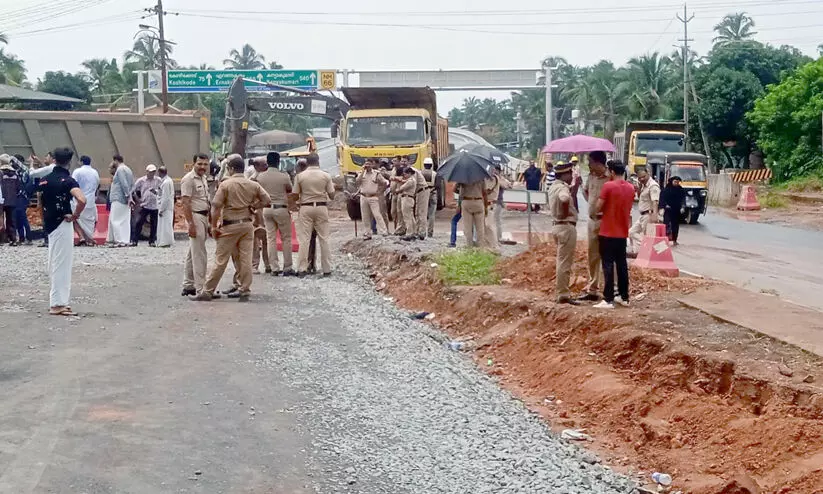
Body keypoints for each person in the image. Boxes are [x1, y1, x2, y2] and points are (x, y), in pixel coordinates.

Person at [190, 154, 271, 302]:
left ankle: (207, 291)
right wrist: (254, 206)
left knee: (220, 260)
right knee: (245, 259)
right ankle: (244, 289)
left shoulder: (226, 185)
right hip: (247, 225)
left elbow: (216, 206)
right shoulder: (252, 184)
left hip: (230, 226)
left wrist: (214, 226)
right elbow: (267, 200)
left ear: (231, 169)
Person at [37, 147, 86, 316]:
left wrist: (44, 220)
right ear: (69, 162)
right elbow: (82, 199)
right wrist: (75, 215)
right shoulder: (68, 180)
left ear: (54, 160)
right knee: (62, 263)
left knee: (54, 261)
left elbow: (40, 203)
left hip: (50, 224)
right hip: (62, 223)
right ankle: (58, 303)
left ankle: (58, 300)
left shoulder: (44, 180)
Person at [593, 160, 635, 309]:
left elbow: (598, 206)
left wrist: (596, 210)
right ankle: (624, 296)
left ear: (611, 171)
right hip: (622, 233)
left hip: (607, 231)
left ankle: (608, 298)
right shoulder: (631, 188)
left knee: (608, 265)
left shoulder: (608, 186)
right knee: (622, 265)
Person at [294, 152, 334, 276]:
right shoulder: (326, 176)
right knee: (324, 238)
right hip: (321, 207)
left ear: (307, 163)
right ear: (318, 161)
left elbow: (295, 195)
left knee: (304, 239)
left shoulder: (300, 176)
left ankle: (302, 268)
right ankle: (327, 268)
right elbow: (332, 195)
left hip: (306, 207)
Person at [256, 151, 295, 276]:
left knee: (270, 238)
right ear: (278, 162)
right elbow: (290, 189)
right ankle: (287, 267)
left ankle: (274, 267)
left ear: (267, 162)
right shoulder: (284, 176)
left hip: (267, 209)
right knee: (286, 238)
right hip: (281, 208)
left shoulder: (260, 177)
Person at [579, 151, 609, 302]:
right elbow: (586, 193)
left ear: (598, 162)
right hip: (592, 220)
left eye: (590, 162)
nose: (588, 165)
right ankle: (593, 289)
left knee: (608, 256)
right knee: (593, 256)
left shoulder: (611, 177)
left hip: (606, 220)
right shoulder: (590, 177)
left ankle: (610, 289)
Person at [548, 161, 579, 305]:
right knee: (565, 263)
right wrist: (565, 211)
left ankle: (562, 292)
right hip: (566, 226)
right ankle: (563, 294)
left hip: (557, 226)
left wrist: (574, 187)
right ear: (564, 174)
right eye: (570, 173)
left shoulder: (553, 187)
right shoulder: (562, 188)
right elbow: (564, 198)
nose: (571, 176)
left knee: (561, 261)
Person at [180, 153, 211, 297]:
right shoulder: (188, 179)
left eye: (205, 164)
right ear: (193, 164)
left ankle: (188, 285)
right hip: (195, 217)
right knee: (200, 254)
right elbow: (185, 203)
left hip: (204, 216)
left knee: (193, 252)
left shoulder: (203, 178)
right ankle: (201, 288)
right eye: (200, 164)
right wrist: (191, 224)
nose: (202, 167)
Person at [629, 167, 661, 253]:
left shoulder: (653, 186)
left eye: (644, 176)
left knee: (648, 236)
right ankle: (649, 247)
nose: (642, 179)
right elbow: (640, 197)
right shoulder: (643, 185)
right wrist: (639, 187)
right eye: (640, 178)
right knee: (631, 232)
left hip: (649, 215)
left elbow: (655, 201)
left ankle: (651, 250)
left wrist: (655, 215)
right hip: (642, 215)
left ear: (648, 173)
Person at [356, 159, 389, 239]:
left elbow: (384, 183)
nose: (367, 166)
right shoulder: (361, 173)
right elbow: (357, 182)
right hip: (364, 196)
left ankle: (384, 231)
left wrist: (380, 191)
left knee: (377, 214)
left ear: (372, 165)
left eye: (369, 164)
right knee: (365, 216)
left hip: (373, 196)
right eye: (366, 164)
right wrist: (362, 171)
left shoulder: (376, 174)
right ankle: (367, 232)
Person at [130, 164, 162, 246]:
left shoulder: (158, 180)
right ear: (147, 172)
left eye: (153, 172)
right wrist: (138, 199)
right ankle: (135, 240)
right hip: (145, 205)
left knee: (154, 224)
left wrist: (157, 193)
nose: (152, 173)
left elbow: (161, 191)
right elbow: (133, 190)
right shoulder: (141, 180)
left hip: (154, 205)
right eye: (151, 172)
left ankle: (152, 241)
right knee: (139, 223)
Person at [71, 155, 99, 246]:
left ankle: (82, 237)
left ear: (81, 162)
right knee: (90, 220)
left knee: (75, 219)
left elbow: (72, 184)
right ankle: (89, 239)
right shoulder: (95, 172)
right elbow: (97, 185)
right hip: (91, 201)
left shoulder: (77, 171)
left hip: (79, 200)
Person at [107, 155, 134, 247]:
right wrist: (130, 197)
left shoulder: (120, 169)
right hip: (126, 200)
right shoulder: (128, 169)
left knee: (116, 220)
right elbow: (132, 185)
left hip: (118, 198)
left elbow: (124, 183)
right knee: (125, 220)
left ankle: (119, 240)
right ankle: (125, 240)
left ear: (115, 161)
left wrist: (127, 195)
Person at [483, 166, 508, 252]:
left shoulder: (495, 179)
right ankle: (491, 243)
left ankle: (495, 245)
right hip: (492, 203)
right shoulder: (496, 178)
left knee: (490, 224)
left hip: (493, 203)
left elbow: (487, 190)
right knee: (489, 224)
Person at [12, 154, 33, 245]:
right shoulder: (17, 171)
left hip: (22, 197)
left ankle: (28, 237)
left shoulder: (24, 171)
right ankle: (22, 237)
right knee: (18, 217)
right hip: (19, 197)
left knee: (22, 217)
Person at [459, 178, 486, 248]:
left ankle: (469, 246)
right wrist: (485, 206)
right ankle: (480, 246)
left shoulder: (462, 178)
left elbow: (456, 191)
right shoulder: (481, 178)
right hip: (478, 201)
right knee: (480, 227)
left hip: (467, 201)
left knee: (467, 227)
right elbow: (484, 192)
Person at [0, 156, 21, 245]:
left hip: (2, 199)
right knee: (11, 220)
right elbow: (18, 188)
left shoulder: (1, 173)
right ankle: (13, 238)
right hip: (12, 200)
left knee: (1, 219)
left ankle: (2, 239)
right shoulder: (15, 174)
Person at [660, 176, 686, 245]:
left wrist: (683, 207)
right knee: (666, 224)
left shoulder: (681, 190)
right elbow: (662, 198)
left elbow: (683, 199)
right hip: (668, 210)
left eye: (678, 182)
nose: (676, 183)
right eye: (675, 182)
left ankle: (675, 240)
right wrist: (665, 205)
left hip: (676, 211)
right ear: (671, 181)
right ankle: (665, 239)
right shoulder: (666, 189)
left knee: (675, 226)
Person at [154, 165, 175, 248]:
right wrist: (156, 192)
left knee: (165, 226)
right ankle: (164, 241)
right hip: (166, 206)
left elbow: (165, 197)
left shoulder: (166, 182)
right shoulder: (168, 180)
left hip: (165, 207)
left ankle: (164, 242)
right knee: (165, 225)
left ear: (160, 172)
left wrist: (161, 209)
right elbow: (162, 193)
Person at [397, 167, 418, 241]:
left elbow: (401, 188)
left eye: (405, 174)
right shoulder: (411, 180)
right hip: (409, 198)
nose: (404, 175)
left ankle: (409, 233)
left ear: (409, 173)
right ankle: (414, 232)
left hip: (407, 198)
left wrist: (398, 189)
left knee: (407, 217)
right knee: (411, 217)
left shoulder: (410, 181)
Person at [422, 157, 438, 238]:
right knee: (432, 214)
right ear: (431, 165)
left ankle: (422, 231)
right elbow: (438, 185)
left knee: (423, 214)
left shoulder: (421, 173)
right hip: (433, 194)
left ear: (424, 165)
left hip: (423, 193)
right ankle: (430, 232)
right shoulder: (435, 174)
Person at [389, 158, 406, 236]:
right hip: (393, 194)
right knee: (393, 212)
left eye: (395, 160)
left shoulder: (403, 170)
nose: (393, 162)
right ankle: (396, 228)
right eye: (393, 160)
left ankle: (401, 229)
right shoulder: (393, 169)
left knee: (400, 212)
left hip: (400, 193)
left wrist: (395, 178)